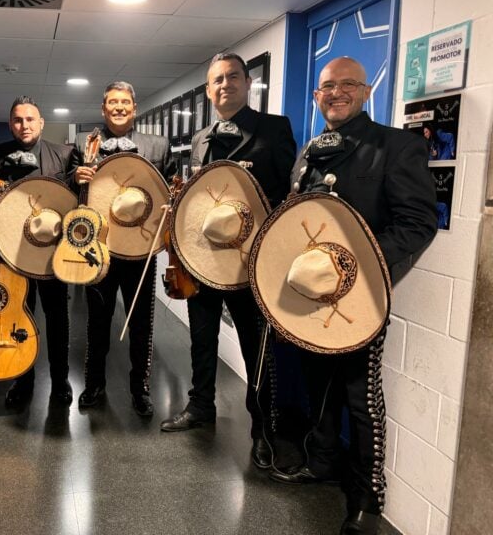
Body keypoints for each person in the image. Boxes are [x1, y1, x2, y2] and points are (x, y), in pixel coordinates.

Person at [268, 57, 437, 535]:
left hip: (361, 295)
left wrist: (352, 265)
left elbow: (417, 224)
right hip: (310, 296)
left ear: (366, 92)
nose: (336, 93)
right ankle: (322, 461)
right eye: (327, 86)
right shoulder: (310, 151)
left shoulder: (396, 146)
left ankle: (367, 498)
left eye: (348, 85)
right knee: (318, 382)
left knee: (360, 398)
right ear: (316, 96)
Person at [159, 53, 297, 471]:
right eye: (217, 80)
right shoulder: (201, 137)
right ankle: (201, 405)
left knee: (256, 346)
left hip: (248, 258)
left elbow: (285, 194)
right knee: (202, 338)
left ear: (248, 83)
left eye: (233, 76)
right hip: (202, 257)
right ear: (208, 90)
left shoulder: (275, 128)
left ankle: (262, 429)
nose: (225, 84)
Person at [73, 81, 176, 417]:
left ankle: (140, 389)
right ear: (103, 109)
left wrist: (169, 212)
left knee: (141, 323)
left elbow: (170, 191)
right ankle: (94, 384)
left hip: (140, 248)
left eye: (125, 102)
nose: (118, 107)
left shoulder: (158, 145)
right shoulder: (84, 143)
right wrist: (75, 179)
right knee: (97, 322)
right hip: (99, 247)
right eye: (112, 102)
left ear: (135, 108)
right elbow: (74, 196)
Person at [0, 96, 81, 408]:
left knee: (57, 318)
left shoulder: (65, 153)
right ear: (10, 124)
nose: (24, 125)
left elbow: (76, 200)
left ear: (41, 123)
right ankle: (22, 381)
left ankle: (61, 381)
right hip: (11, 251)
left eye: (30, 119)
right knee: (17, 316)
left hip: (51, 251)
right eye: (18, 120)